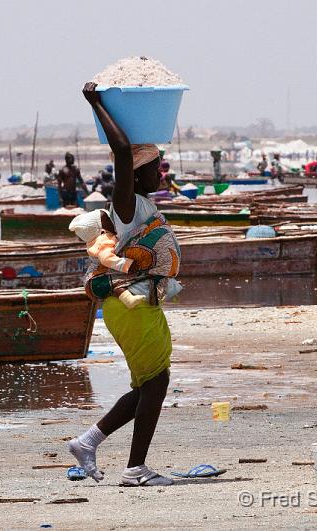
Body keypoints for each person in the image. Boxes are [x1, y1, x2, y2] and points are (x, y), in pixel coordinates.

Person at [68, 81, 183, 487]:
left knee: (152, 382)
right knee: (156, 381)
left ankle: (88, 441)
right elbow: (120, 151)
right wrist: (96, 103)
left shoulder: (144, 205)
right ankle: (135, 469)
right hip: (130, 303)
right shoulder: (128, 205)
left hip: (138, 301)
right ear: (136, 173)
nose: (160, 171)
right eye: (155, 166)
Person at [68, 209, 145, 309]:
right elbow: (106, 258)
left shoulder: (94, 239)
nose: (112, 221)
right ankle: (128, 299)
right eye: (108, 219)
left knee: (116, 283)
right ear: (102, 230)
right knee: (117, 284)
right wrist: (127, 265)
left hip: (93, 281)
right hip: (97, 281)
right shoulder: (104, 240)